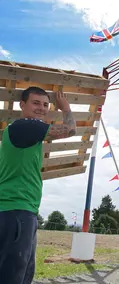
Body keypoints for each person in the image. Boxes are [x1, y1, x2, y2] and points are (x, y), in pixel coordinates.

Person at [0, 86, 77, 283]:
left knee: (24, 274)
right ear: (22, 105)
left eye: (45, 104)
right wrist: (65, 108)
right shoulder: (24, 126)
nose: (41, 108)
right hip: (15, 211)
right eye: (36, 103)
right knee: (12, 276)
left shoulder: (27, 135)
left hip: (23, 212)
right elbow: (70, 130)